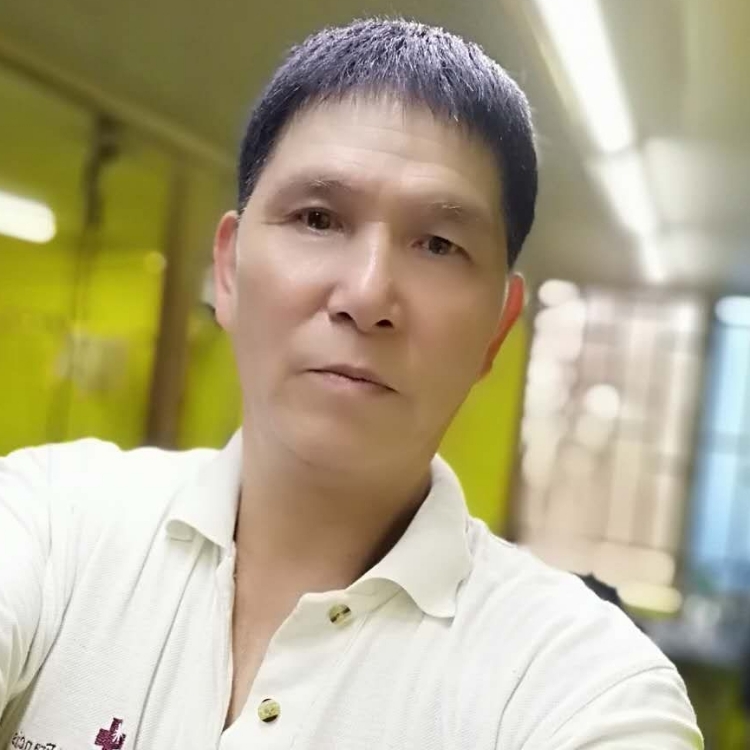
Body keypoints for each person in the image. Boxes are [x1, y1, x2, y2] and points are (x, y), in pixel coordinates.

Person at [0, 17, 702, 750]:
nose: (366, 297)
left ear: (498, 328)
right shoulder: (53, 525)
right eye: (318, 218)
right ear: (230, 271)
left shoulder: (579, 685)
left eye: (438, 244)